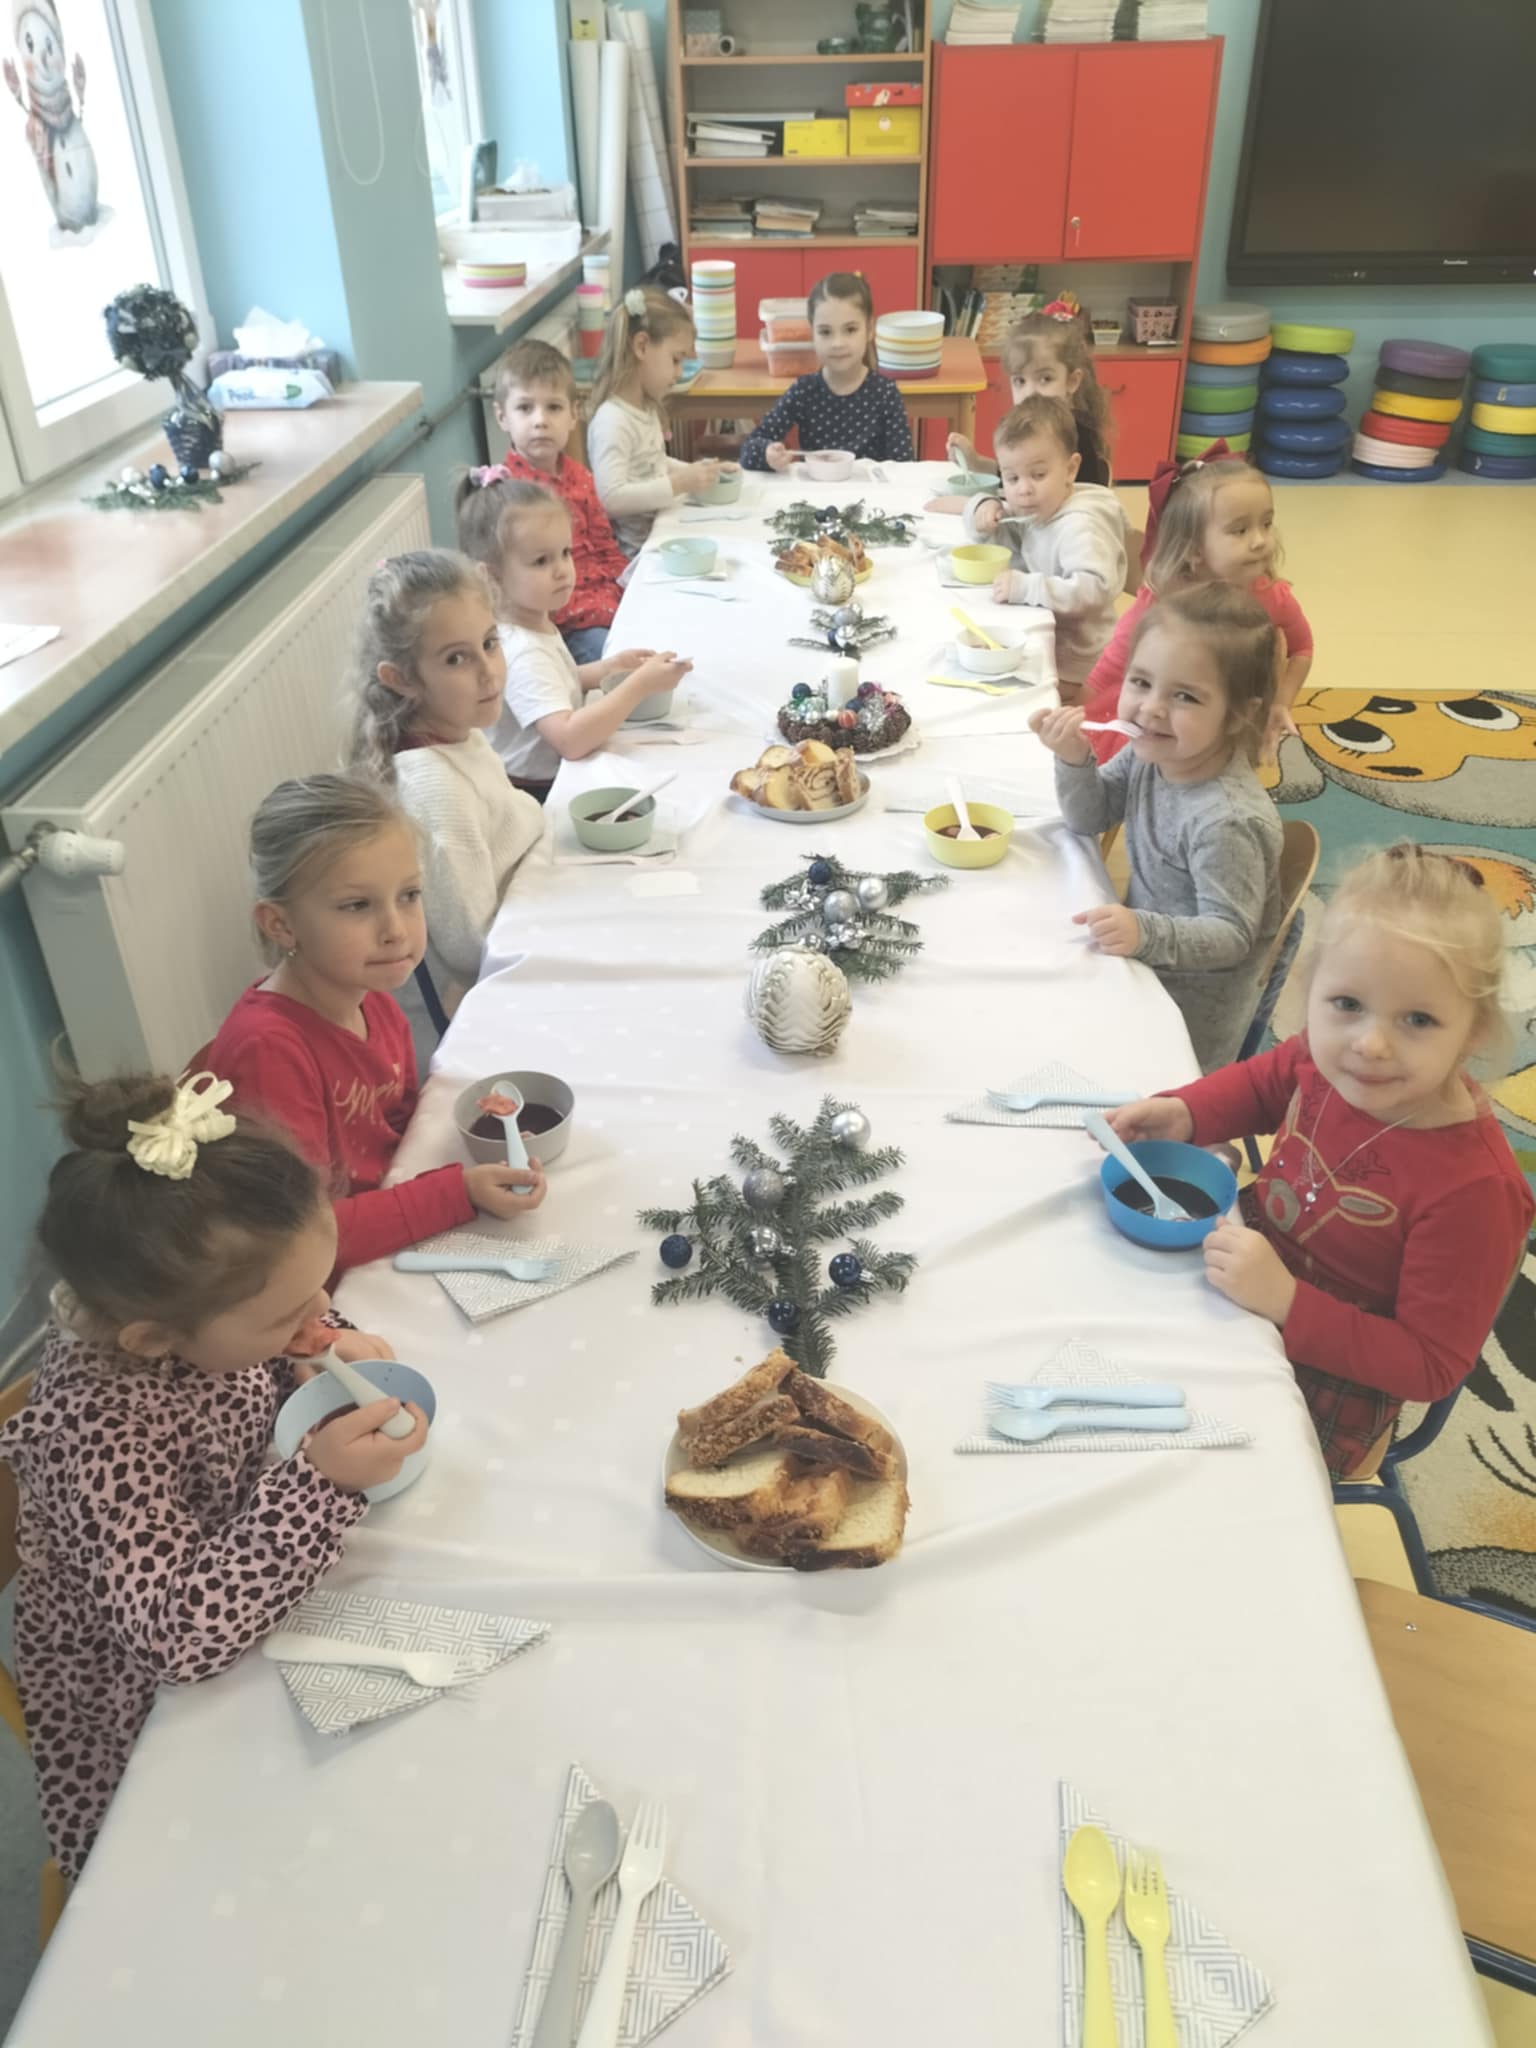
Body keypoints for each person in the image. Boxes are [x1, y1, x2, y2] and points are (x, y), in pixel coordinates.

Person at [0, 1068, 427, 1877]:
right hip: (140, 1705)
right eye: (288, 1315)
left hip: (241, 1560)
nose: (318, 1313)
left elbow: (255, 1345)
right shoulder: (98, 1436)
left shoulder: (200, 1316)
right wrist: (321, 1485)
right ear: (153, 1340)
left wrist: (316, 1346)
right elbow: (177, 1639)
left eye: (318, 1292)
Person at [1106, 845, 1534, 1477]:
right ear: (1312, 992)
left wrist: (1286, 1301)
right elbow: (1261, 1087)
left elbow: (1429, 1365)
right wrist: (1186, 1113)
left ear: (1472, 1032)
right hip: (1250, 1256)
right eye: (1347, 1004)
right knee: (1111, 1326)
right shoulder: (1324, 1056)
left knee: (1185, 1471)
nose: (1370, 1043)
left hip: (1334, 1375)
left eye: (1418, 1019)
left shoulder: (1474, 1190)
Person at [198, 774, 546, 1274]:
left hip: (387, 1233)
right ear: (281, 925)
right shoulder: (268, 1051)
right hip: (321, 1282)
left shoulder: (374, 1000)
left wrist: (483, 1141)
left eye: (409, 895)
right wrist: (459, 1192)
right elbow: (301, 1239)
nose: (395, 930)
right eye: (357, 906)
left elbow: (399, 1129)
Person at [1031, 582, 1283, 1070]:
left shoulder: (1227, 821)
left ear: (1238, 715)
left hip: (1185, 1018)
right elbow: (1089, 817)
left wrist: (1143, 931)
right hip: (1140, 965)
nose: (1150, 709)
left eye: (1184, 696)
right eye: (1141, 682)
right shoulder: (1154, 753)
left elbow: (1231, 935)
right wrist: (1074, 758)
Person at [347, 550, 543, 1032]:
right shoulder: (434, 788)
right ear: (402, 680)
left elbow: (508, 821)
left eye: (490, 643)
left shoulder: (460, 733)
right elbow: (472, 949)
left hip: (524, 924)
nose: (488, 671)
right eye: (457, 658)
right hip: (479, 1015)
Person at [455, 471, 691, 795]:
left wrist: (607, 669)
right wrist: (639, 686)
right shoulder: (523, 651)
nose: (562, 570)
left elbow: (556, 682)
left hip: (557, 772)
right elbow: (569, 740)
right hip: (541, 790)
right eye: (541, 561)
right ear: (492, 576)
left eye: (565, 552)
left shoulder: (532, 620)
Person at [1082, 453, 1313, 764]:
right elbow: (1108, 671)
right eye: (1240, 530)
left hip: (1233, 721)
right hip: (1164, 725)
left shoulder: (1271, 596)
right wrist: (1072, 709)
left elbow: (1302, 648)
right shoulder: (1160, 601)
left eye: (1266, 523)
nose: (1260, 541)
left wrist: (1281, 702)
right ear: (1194, 549)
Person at [964, 395, 1127, 699]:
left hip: (1082, 665)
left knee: (1000, 695)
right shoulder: (1042, 506)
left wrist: (1027, 588)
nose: (1024, 489)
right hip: (1051, 643)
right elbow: (1004, 543)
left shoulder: (1080, 525)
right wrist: (983, 509)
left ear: (1070, 469)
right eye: (1011, 477)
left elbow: (1095, 589)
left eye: (1038, 475)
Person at [490, 337, 629, 664]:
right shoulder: (507, 493)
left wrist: (629, 586)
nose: (540, 420)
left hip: (606, 602)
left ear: (573, 414)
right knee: (620, 661)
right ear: (502, 416)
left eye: (553, 407)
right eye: (525, 408)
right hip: (563, 623)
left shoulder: (580, 477)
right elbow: (514, 590)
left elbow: (605, 545)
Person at [586, 285, 720, 553]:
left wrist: (699, 471)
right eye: (676, 359)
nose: (680, 373)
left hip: (664, 535)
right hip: (638, 556)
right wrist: (680, 483)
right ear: (642, 346)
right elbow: (610, 498)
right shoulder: (612, 421)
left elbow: (652, 465)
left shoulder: (645, 408)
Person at [739, 271, 914, 471]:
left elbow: (904, 467)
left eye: (850, 330)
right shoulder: (804, 390)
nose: (837, 343)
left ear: (869, 329)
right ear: (812, 333)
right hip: (816, 489)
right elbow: (749, 450)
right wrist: (767, 454)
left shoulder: (885, 393)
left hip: (870, 490)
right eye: (825, 332)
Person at [947, 302, 1114, 486]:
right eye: (1020, 381)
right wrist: (975, 463)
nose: (1030, 393)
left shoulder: (1077, 434)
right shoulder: (1027, 424)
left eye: (1045, 379)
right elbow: (1016, 475)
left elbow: (1087, 497)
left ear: (1072, 381)